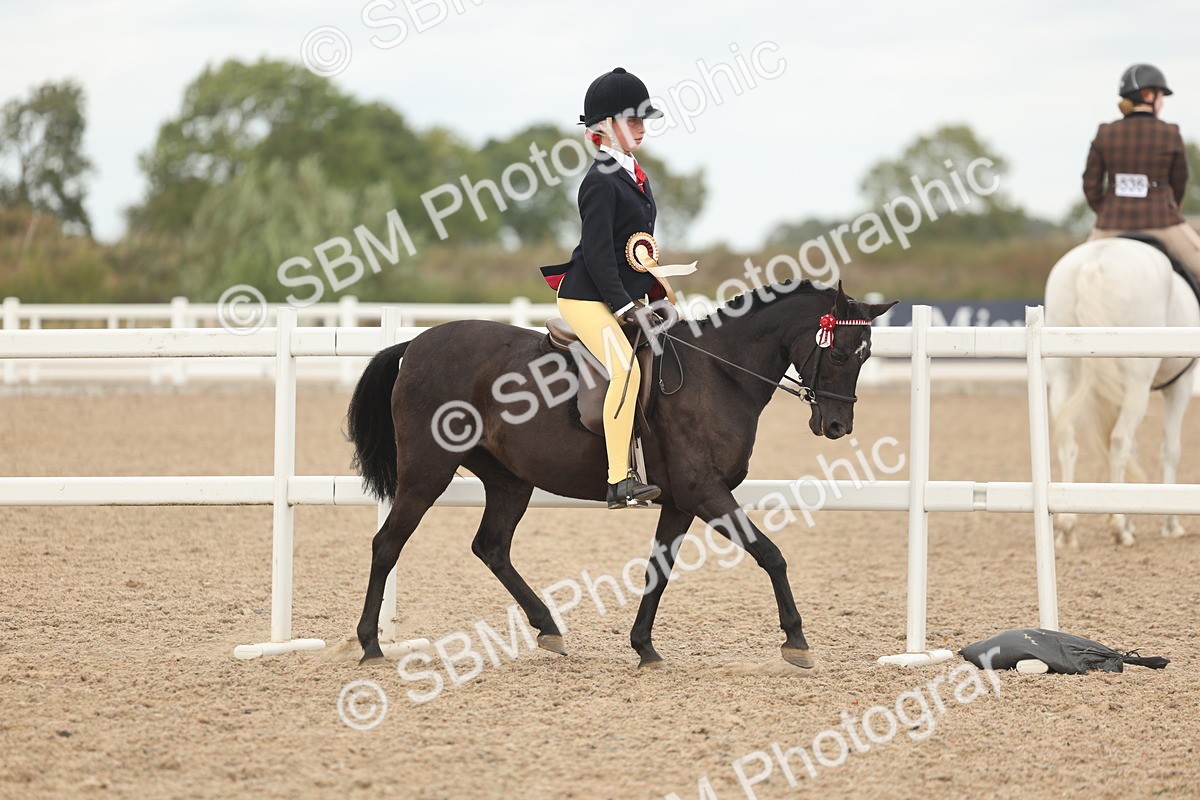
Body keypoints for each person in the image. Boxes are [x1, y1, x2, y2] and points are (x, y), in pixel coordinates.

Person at [539, 67, 669, 509]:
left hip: (618, 291)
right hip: (585, 297)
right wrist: (623, 306)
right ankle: (619, 479)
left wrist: (653, 295)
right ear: (604, 127)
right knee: (626, 370)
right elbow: (596, 257)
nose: (640, 126)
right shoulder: (599, 181)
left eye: (642, 119)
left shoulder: (634, 175)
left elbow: (630, 251)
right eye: (631, 118)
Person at [1082, 63, 1200, 280]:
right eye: (1161, 96)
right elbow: (1179, 182)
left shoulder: (1105, 133)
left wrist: (1108, 209)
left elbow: (1090, 184)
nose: (1162, 102)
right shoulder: (1170, 133)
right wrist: (1170, 207)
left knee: (1077, 275)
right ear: (1148, 95)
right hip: (1162, 221)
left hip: (1112, 223)